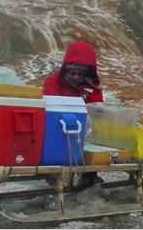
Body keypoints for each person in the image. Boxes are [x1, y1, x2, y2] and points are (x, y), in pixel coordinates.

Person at [43, 41, 103, 187]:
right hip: (57, 131)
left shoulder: (92, 87)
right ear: (65, 70)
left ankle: (89, 176)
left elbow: (97, 111)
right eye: (72, 72)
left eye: (80, 73)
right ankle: (54, 174)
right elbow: (50, 110)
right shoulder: (52, 82)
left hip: (84, 134)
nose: (76, 76)